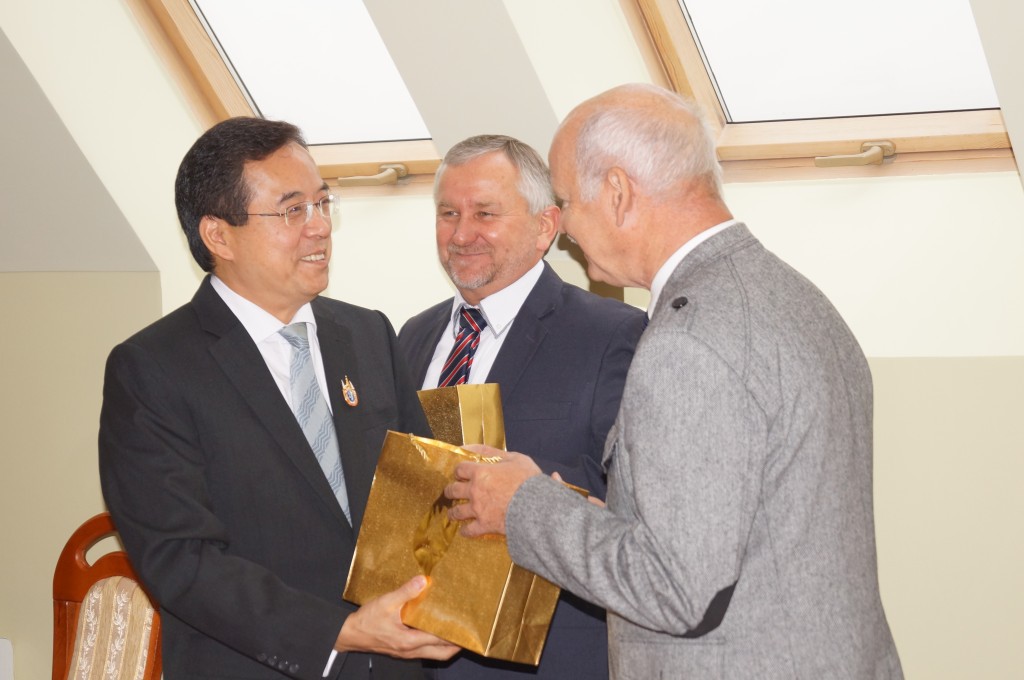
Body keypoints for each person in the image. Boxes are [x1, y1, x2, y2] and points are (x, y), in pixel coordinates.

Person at [444, 84, 905, 678]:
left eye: (567, 202)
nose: (567, 231)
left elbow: (673, 589)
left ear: (617, 192)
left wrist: (522, 504)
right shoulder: (791, 296)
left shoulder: (689, 343)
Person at [99, 117, 457, 680]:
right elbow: (181, 560)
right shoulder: (154, 369)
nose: (320, 227)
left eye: (322, 203)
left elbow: (420, 495)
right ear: (219, 236)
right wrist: (338, 632)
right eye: (292, 211)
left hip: (395, 664)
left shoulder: (367, 334)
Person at [398, 134, 644, 679]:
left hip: (544, 658)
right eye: (448, 213)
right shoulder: (412, 335)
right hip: (415, 654)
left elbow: (634, 505)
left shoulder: (612, 335)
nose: (462, 233)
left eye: (485, 213)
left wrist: (518, 492)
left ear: (545, 226)